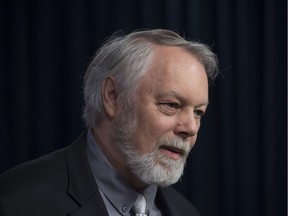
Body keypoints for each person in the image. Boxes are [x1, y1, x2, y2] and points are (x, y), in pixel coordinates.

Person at [0, 29, 218, 216]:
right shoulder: (16, 203)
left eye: (198, 112)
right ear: (113, 96)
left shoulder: (186, 211)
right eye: (171, 105)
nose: (190, 128)